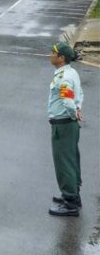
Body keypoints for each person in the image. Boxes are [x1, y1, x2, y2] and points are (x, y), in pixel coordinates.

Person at [47, 42, 84, 217]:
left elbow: (67, 100)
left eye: (54, 53)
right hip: (67, 123)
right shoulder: (70, 72)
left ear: (61, 58)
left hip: (63, 124)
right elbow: (80, 95)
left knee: (64, 163)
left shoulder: (65, 78)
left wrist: (73, 112)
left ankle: (70, 203)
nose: (50, 55)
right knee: (71, 159)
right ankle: (73, 195)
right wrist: (77, 109)